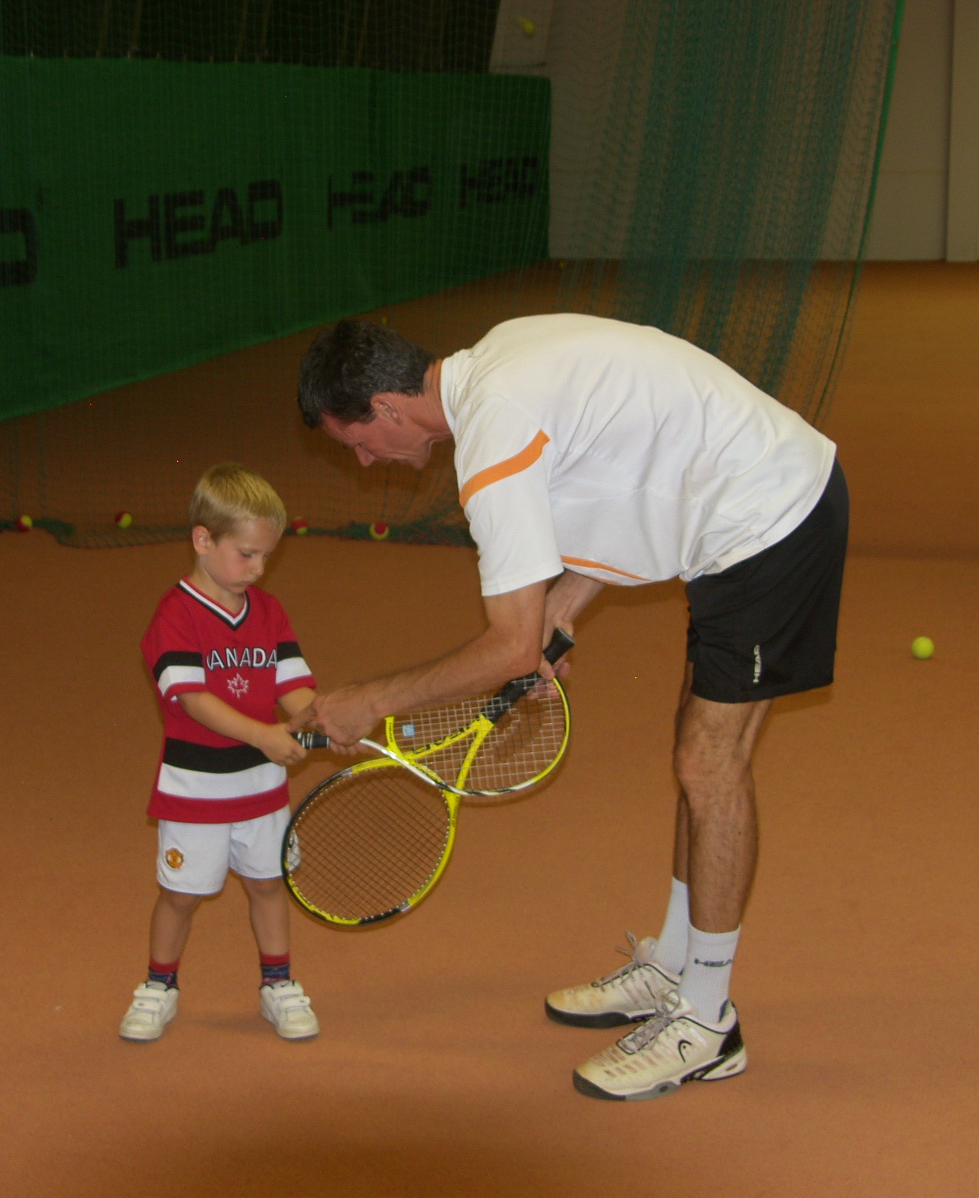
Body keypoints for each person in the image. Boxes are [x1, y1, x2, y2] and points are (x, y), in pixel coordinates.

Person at [294, 314, 847, 1099]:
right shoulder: (496, 360)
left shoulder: (492, 438)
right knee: (694, 757)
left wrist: (371, 701)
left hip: (770, 518)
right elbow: (623, 452)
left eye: (355, 440)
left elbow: (510, 649)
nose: (362, 459)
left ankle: (706, 1021)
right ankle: (674, 967)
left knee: (709, 764)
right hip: (732, 505)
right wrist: (565, 599)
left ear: (387, 407)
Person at [119, 464, 321, 1044]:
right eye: (247, 555)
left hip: (261, 789)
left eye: (267, 557)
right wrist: (264, 735)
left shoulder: (268, 612)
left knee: (268, 885)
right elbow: (194, 700)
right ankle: (159, 986)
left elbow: (293, 687)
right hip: (195, 789)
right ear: (203, 540)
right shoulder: (175, 616)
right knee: (181, 894)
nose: (258, 569)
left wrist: (325, 719)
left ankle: (278, 984)